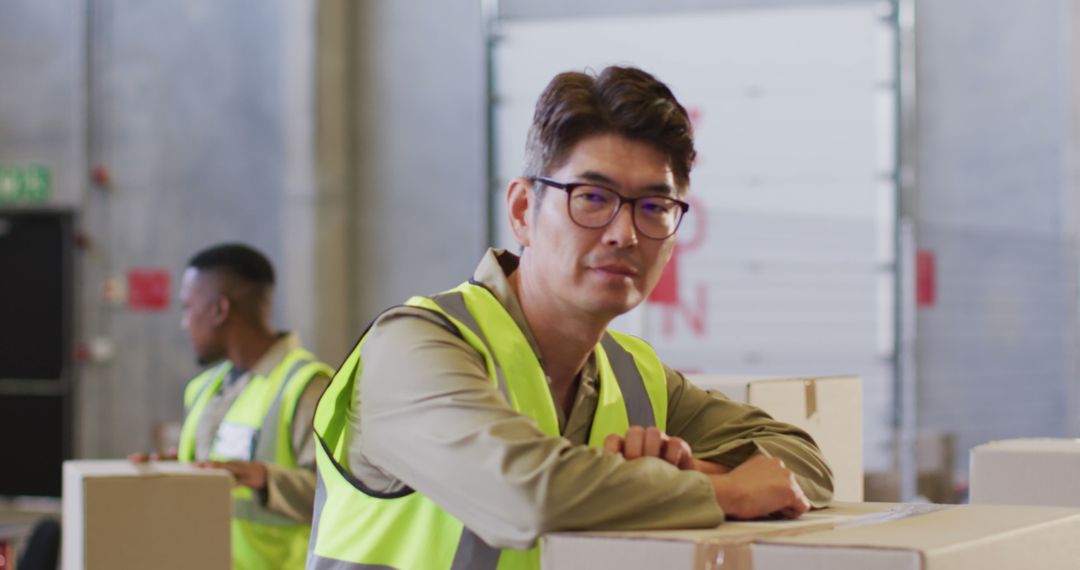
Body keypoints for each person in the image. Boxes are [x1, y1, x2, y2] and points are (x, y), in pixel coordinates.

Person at [307, 66, 834, 570]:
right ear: (521, 211)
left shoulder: (635, 375)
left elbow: (802, 462)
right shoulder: (413, 347)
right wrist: (724, 490)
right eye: (593, 198)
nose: (624, 233)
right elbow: (522, 494)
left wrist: (689, 470)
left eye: (653, 206)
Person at [130, 243, 332, 570]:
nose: (184, 323)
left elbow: (340, 498)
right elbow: (208, 479)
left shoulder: (306, 386)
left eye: (187, 308)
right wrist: (172, 470)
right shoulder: (203, 389)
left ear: (219, 310)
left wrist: (265, 479)